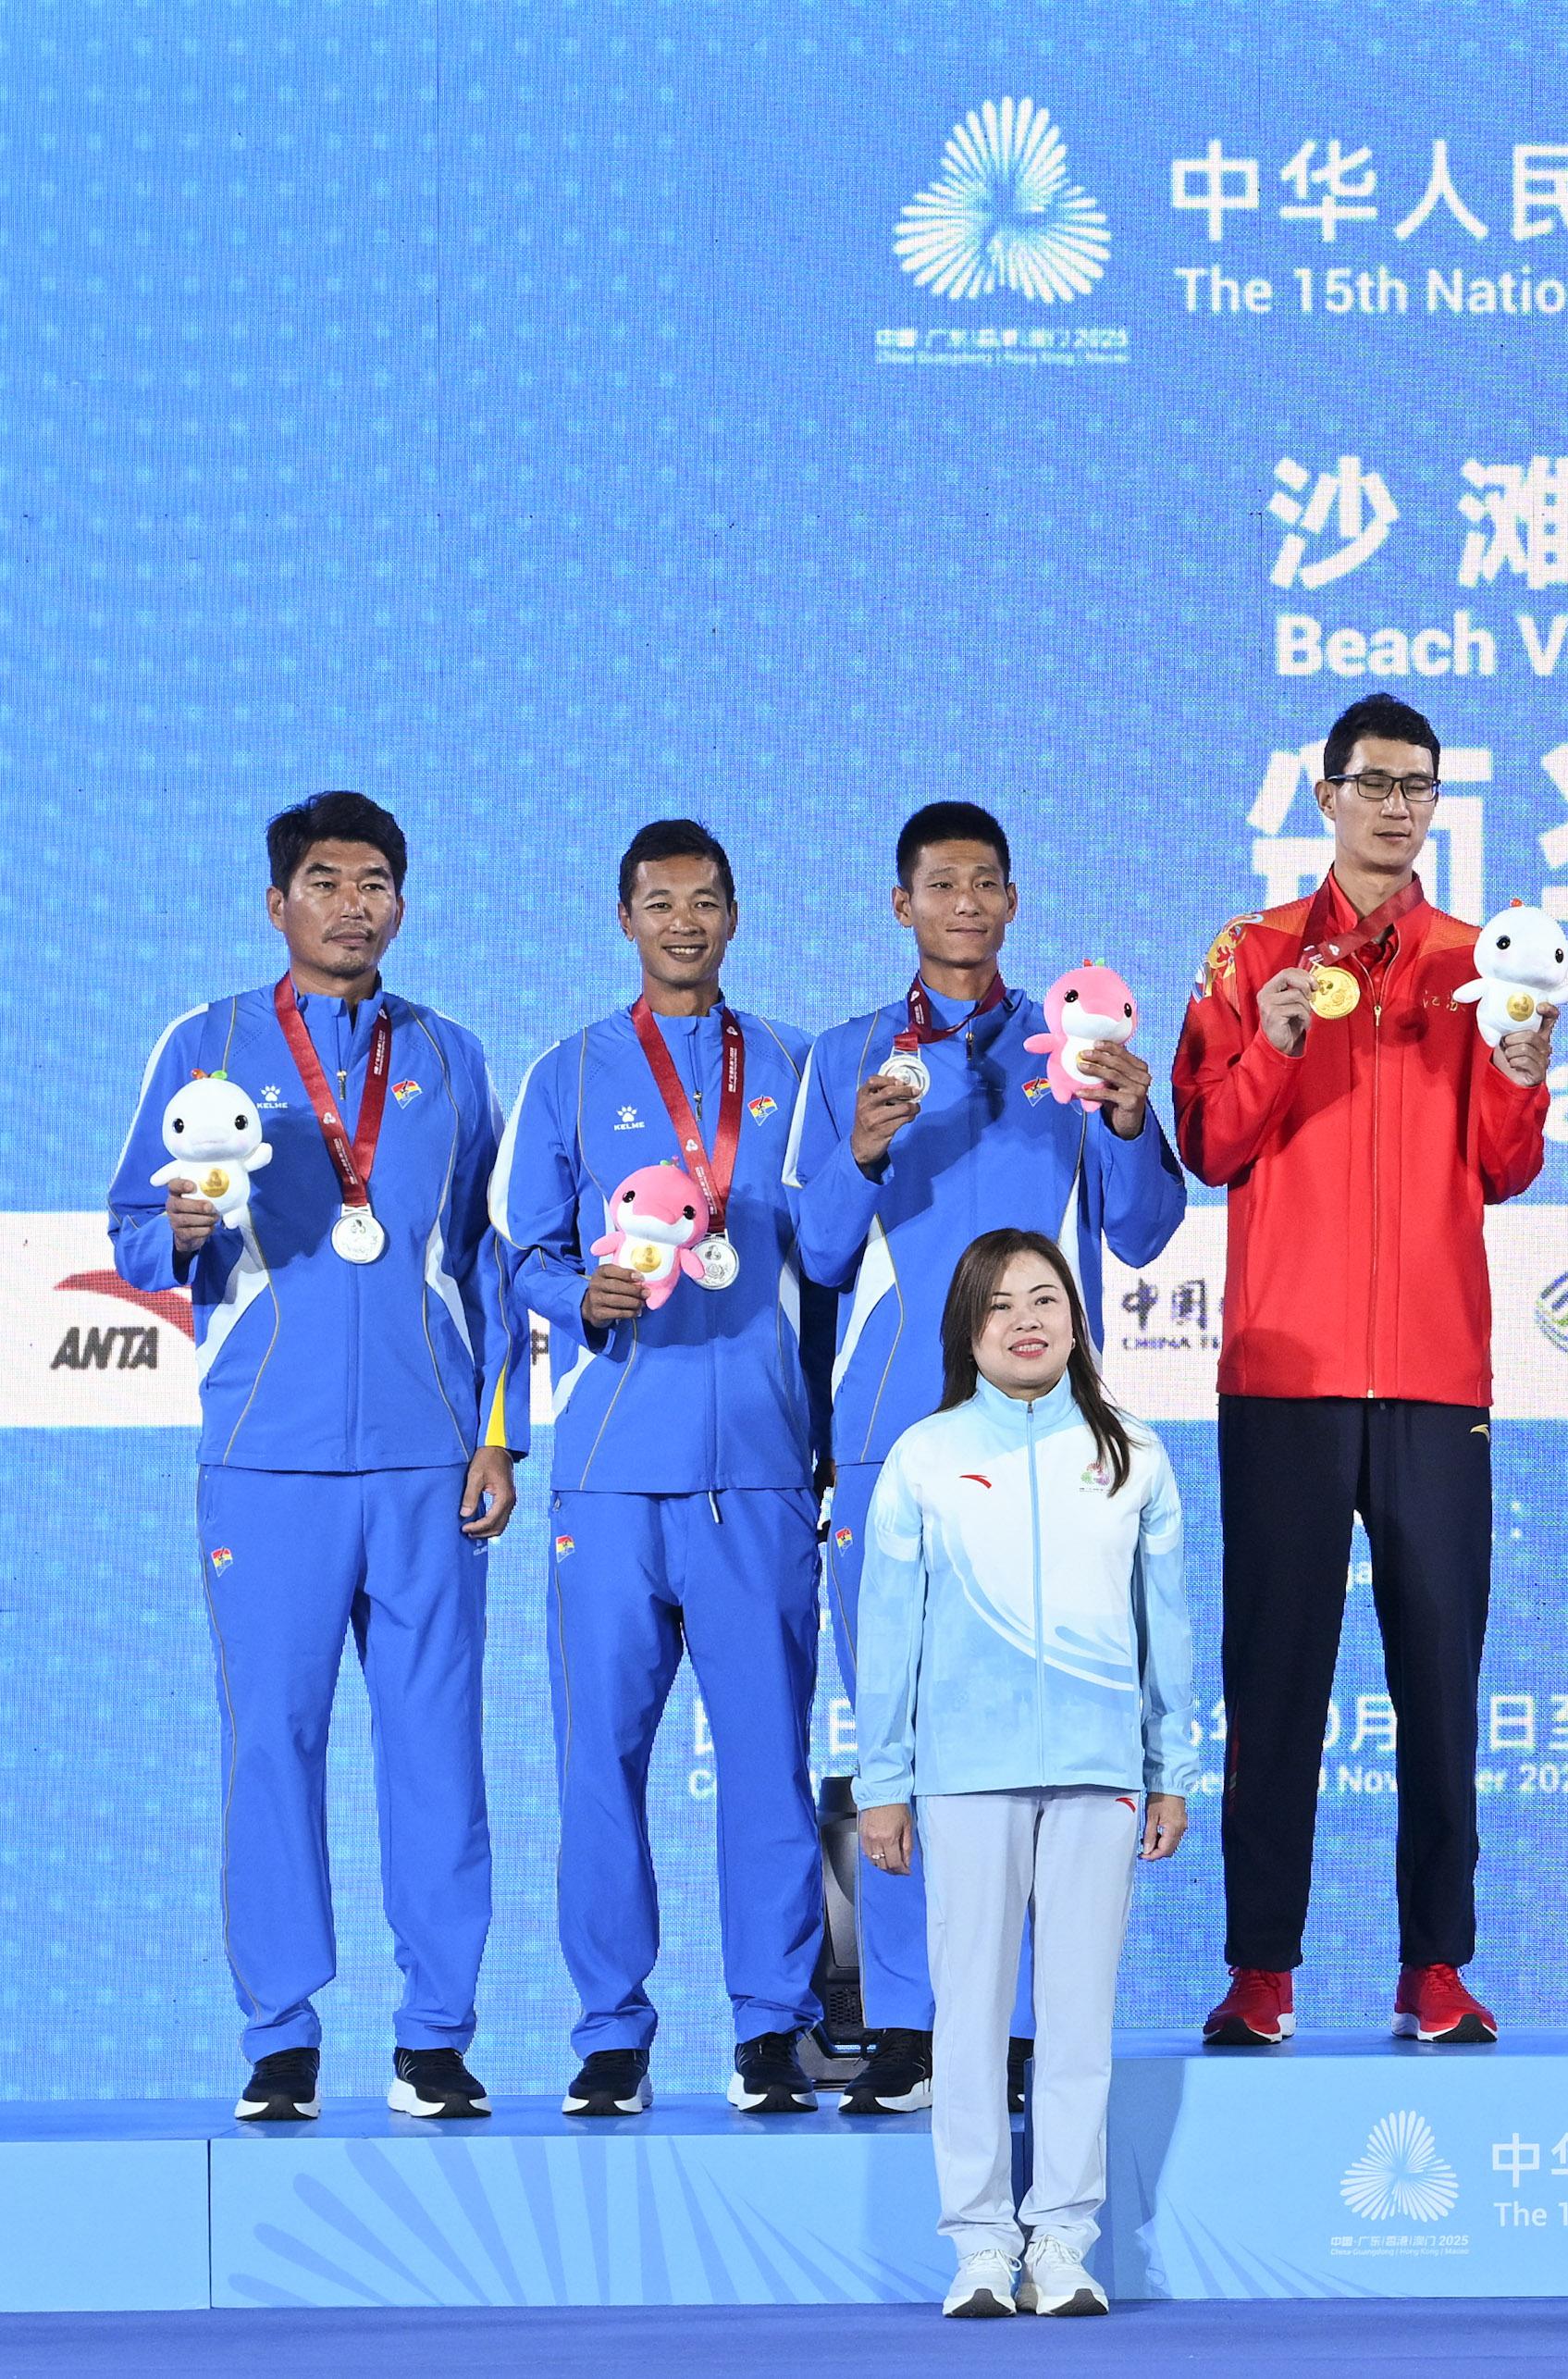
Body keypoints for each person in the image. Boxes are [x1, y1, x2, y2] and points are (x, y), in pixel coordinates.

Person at [107, 790, 525, 2123]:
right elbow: (130, 1234)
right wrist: (172, 1229)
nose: (356, 902)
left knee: (436, 1751)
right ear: (277, 899)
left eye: (379, 880)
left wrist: (499, 1434)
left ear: (404, 900)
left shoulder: (452, 1057)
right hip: (264, 1456)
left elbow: (493, 1266)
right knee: (271, 1743)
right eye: (328, 879)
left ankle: (436, 2033)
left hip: (426, 1460)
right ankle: (280, 2034)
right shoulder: (210, 1042)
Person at [1172, 692, 1552, 2049]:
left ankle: (1434, 1964)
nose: (1396, 805)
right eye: (1372, 782)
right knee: (1275, 1677)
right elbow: (1208, 1146)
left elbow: (1506, 1168)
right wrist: (1272, 1041)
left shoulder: (1477, 956)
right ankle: (1262, 1966)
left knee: (1440, 1677)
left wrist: (1518, 1069)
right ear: (1322, 794)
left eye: (1420, 785)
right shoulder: (1251, 952)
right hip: (1287, 1367)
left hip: (1437, 1371)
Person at [792, 800, 1185, 2113]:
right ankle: (906, 2015)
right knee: (898, 1722)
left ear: (1013, 901)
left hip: (1043, 1436)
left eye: (985, 882)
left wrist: (1132, 1120)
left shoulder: (1070, 1046)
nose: (964, 902)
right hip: (893, 1432)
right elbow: (818, 1248)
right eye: (939, 883)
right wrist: (859, 1150)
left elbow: (1134, 1237)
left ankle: (1022, 2021)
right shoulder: (852, 1056)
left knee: (1037, 1722)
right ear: (899, 904)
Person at [500, 818, 827, 2117]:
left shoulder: (797, 1069)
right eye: (657, 901)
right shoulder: (570, 1071)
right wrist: (579, 1290)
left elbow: (843, 1256)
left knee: (765, 1760)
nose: (682, 921)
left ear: (736, 916)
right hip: (606, 1475)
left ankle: (771, 2024)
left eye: (704, 900)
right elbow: (514, 1253)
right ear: (623, 918)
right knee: (600, 1766)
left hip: (755, 1473)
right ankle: (609, 2031)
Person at [855, 1229, 1196, 2319]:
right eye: (1000, 1306)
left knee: (1079, 2019)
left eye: (1046, 1298)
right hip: (965, 1776)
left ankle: (1062, 2241)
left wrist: (1169, 1767)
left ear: (1077, 1318)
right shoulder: (925, 1454)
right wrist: (884, 1781)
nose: (1027, 1321)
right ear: (968, 1328)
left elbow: (1168, 1630)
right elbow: (886, 1633)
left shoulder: (1133, 1451)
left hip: (1099, 1775)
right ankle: (977, 2248)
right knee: (965, 2019)